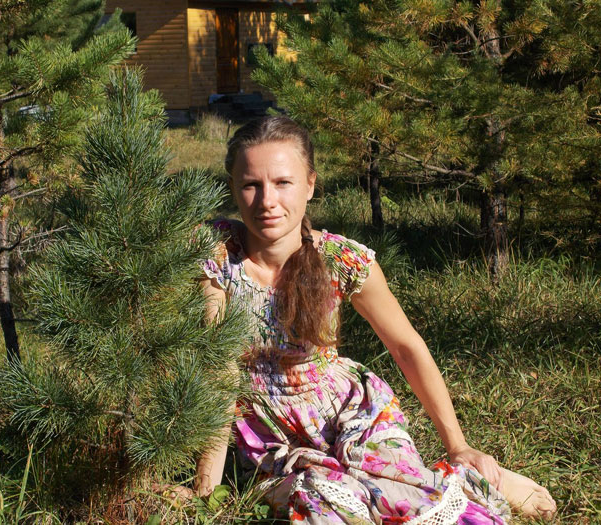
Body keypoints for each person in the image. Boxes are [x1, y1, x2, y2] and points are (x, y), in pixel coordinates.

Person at [194, 116, 556, 523]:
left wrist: (458, 444)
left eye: (283, 182)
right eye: (251, 184)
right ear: (233, 187)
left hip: (350, 411)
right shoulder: (219, 257)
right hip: (270, 433)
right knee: (323, 504)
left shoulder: (341, 260)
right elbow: (218, 373)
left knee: (405, 500)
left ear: (310, 184)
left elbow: (406, 346)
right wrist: (205, 490)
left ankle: (463, 477)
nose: (267, 201)